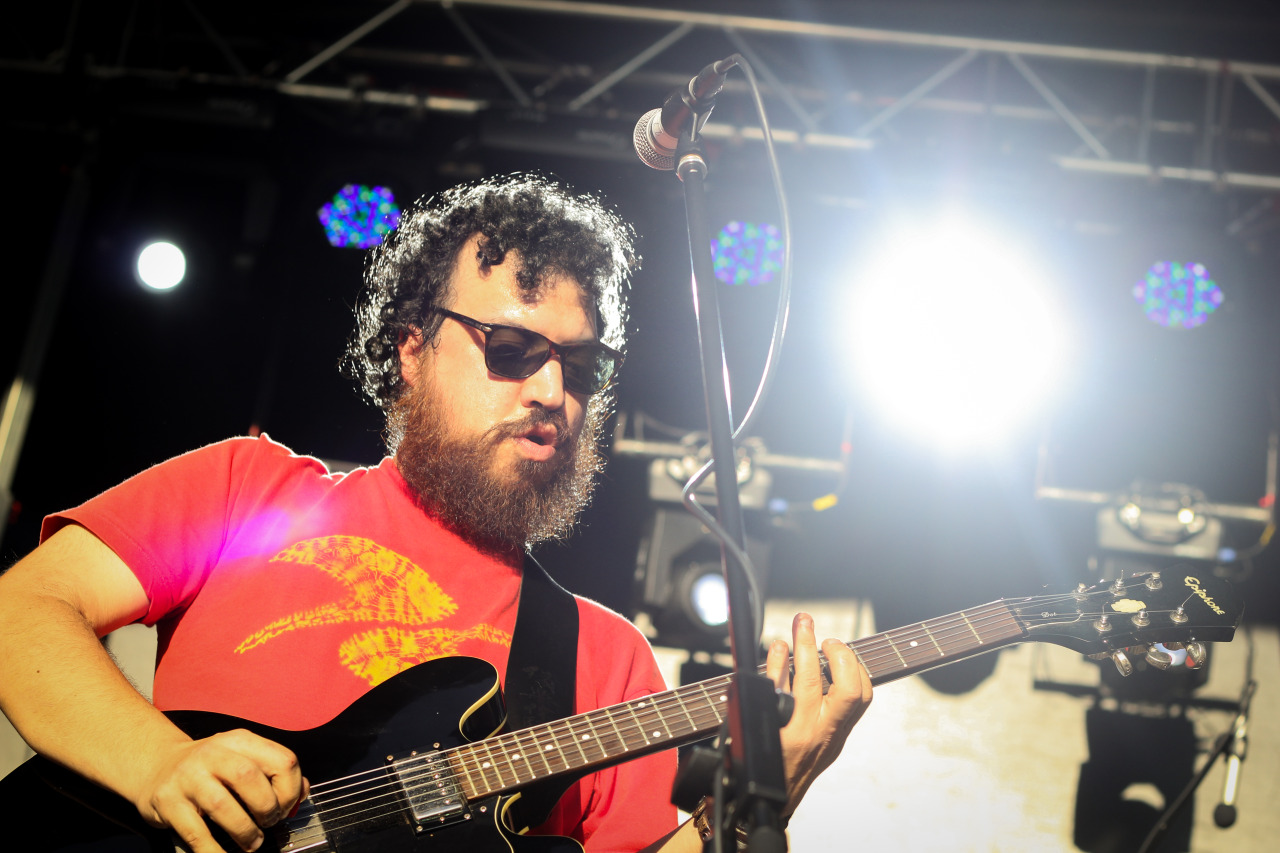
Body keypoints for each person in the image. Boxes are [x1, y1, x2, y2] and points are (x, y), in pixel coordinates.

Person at [0, 174, 872, 852]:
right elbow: (22, 608)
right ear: (412, 351)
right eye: (513, 348)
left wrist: (755, 802)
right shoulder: (248, 487)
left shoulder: (607, 659)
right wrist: (158, 761)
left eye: (581, 367)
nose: (551, 389)